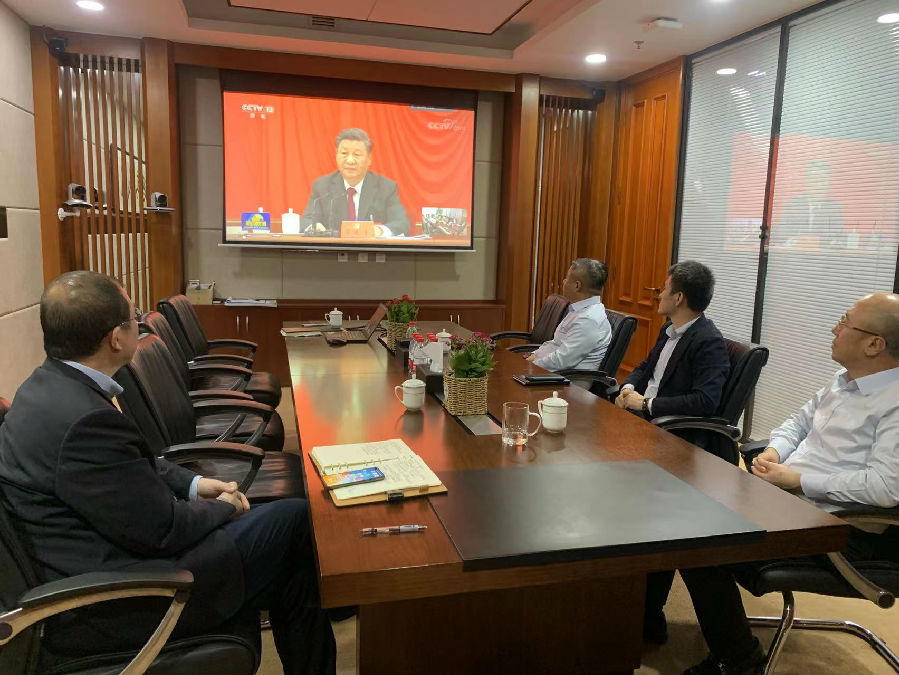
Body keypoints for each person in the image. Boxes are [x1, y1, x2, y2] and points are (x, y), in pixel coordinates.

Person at [0, 271, 335, 675]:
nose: (138, 324)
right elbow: (164, 530)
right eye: (133, 318)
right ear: (116, 338)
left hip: (102, 561)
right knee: (295, 522)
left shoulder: (45, 387)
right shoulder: (85, 422)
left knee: (290, 556)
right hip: (127, 596)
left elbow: (132, 464)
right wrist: (226, 506)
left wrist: (194, 484)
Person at [679, 292, 899, 675]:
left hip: (837, 528)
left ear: (874, 344)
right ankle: (645, 620)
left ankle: (739, 660)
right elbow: (797, 424)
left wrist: (799, 480)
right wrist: (775, 452)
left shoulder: (893, 402)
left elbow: (885, 487)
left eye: (845, 322)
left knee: (697, 540)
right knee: (677, 504)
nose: (835, 329)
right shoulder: (845, 381)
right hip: (787, 501)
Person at [613, 259, 731, 645]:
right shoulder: (670, 331)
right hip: (645, 423)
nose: (658, 294)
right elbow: (644, 368)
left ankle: (647, 613)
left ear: (678, 297)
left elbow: (706, 401)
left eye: (664, 289)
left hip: (674, 439)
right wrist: (628, 388)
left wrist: (646, 405)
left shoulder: (707, 341)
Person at [302, 128, 410, 237]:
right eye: (344, 153)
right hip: (334, 247)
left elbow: (401, 222)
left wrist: (379, 230)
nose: (350, 161)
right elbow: (306, 220)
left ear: (369, 159)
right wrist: (314, 227)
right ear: (336, 156)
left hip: (371, 246)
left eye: (357, 154)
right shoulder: (322, 186)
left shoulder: (386, 187)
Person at [526, 258, 612, 372]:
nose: (563, 281)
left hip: (566, 380)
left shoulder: (589, 320)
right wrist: (533, 356)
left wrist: (528, 367)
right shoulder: (578, 310)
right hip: (552, 373)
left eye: (566, 278)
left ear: (577, 286)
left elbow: (561, 360)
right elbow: (555, 344)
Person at [773, 159, 846, 249]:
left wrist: (831, 243)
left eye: (822, 180)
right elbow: (780, 234)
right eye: (814, 179)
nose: (818, 185)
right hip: (795, 253)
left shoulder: (834, 207)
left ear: (828, 183)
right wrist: (791, 241)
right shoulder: (794, 205)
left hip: (821, 255)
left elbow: (840, 238)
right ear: (807, 181)